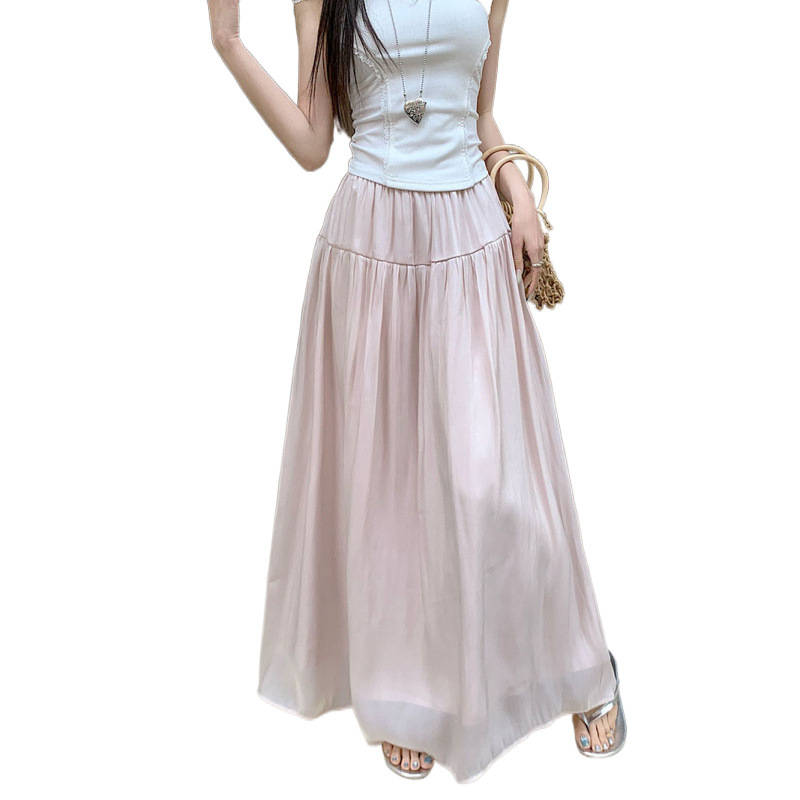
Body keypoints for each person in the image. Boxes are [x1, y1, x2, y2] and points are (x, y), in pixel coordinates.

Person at [206, 0, 626, 782]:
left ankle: (581, 662)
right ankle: (409, 691)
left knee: (492, 480)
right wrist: (228, 42)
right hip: (369, 251)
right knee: (389, 492)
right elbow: (313, 143)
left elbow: (480, 112)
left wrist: (515, 187)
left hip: (468, 246)